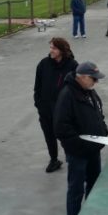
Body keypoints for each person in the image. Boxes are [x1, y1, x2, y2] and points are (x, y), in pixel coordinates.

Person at [54, 61, 108, 215]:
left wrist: (103, 131)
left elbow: (98, 113)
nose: (96, 82)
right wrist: (80, 146)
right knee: (76, 191)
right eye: (94, 78)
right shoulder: (67, 96)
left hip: (93, 150)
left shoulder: (89, 91)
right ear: (82, 77)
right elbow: (61, 128)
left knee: (94, 186)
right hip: (78, 154)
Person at [33, 37, 78, 173]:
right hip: (45, 110)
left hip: (64, 112)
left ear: (62, 50)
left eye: (54, 48)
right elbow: (37, 86)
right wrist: (39, 104)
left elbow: (77, 89)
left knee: (66, 136)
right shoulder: (43, 64)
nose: (51, 50)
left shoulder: (73, 66)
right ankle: (54, 159)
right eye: (50, 47)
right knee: (49, 136)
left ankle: (72, 157)